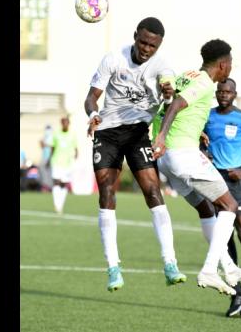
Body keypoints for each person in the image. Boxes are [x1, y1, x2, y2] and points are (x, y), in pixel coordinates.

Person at [84, 17, 186, 292]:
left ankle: (170, 263)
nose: (146, 49)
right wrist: (94, 115)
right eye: (142, 42)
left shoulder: (162, 66)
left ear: (159, 45)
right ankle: (113, 267)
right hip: (107, 131)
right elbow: (91, 97)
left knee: (153, 191)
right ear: (135, 36)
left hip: (138, 132)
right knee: (106, 189)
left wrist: (167, 91)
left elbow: (168, 90)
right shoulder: (113, 58)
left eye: (152, 45)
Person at [152, 39, 241, 297]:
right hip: (182, 153)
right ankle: (210, 269)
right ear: (222, 65)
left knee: (206, 207)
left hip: (167, 160)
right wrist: (162, 137)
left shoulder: (187, 76)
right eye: (230, 63)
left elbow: (167, 103)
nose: (231, 67)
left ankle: (229, 268)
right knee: (229, 206)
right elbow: (176, 106)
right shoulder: (204, 83)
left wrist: (196, 133)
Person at [202, 77, 241, 317]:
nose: (223, 95)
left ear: (234, 94)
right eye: (220, 91)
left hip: (239, 182)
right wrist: (204, 152)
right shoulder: (208, 116)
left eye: (228, 92)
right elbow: (201, 140)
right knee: (223, 236)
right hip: (216, 182)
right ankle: (237, 290)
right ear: (216, 93)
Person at [47, 116, 78, 214]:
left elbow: (76, 148)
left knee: (64, 184)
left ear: (69, 123)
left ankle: (60, 205)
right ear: (61, 123)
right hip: (56, 162)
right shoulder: (56, 134)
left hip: (68, 163)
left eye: (66, 122)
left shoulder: (72, 134)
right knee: (56, 182)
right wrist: (49, 159)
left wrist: (75, 158)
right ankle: (56, 204)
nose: (65, 124)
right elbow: (52, 147)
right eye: (63, 122)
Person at [39, 125, 53, 192]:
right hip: (44, 156)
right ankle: (45, 185)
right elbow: (42, 146)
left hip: (50, 157)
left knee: (49, 172)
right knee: (43, 172)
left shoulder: (52, 137)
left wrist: (45, 144)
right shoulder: (45, 137)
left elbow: (52, 146)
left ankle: (49, 186)